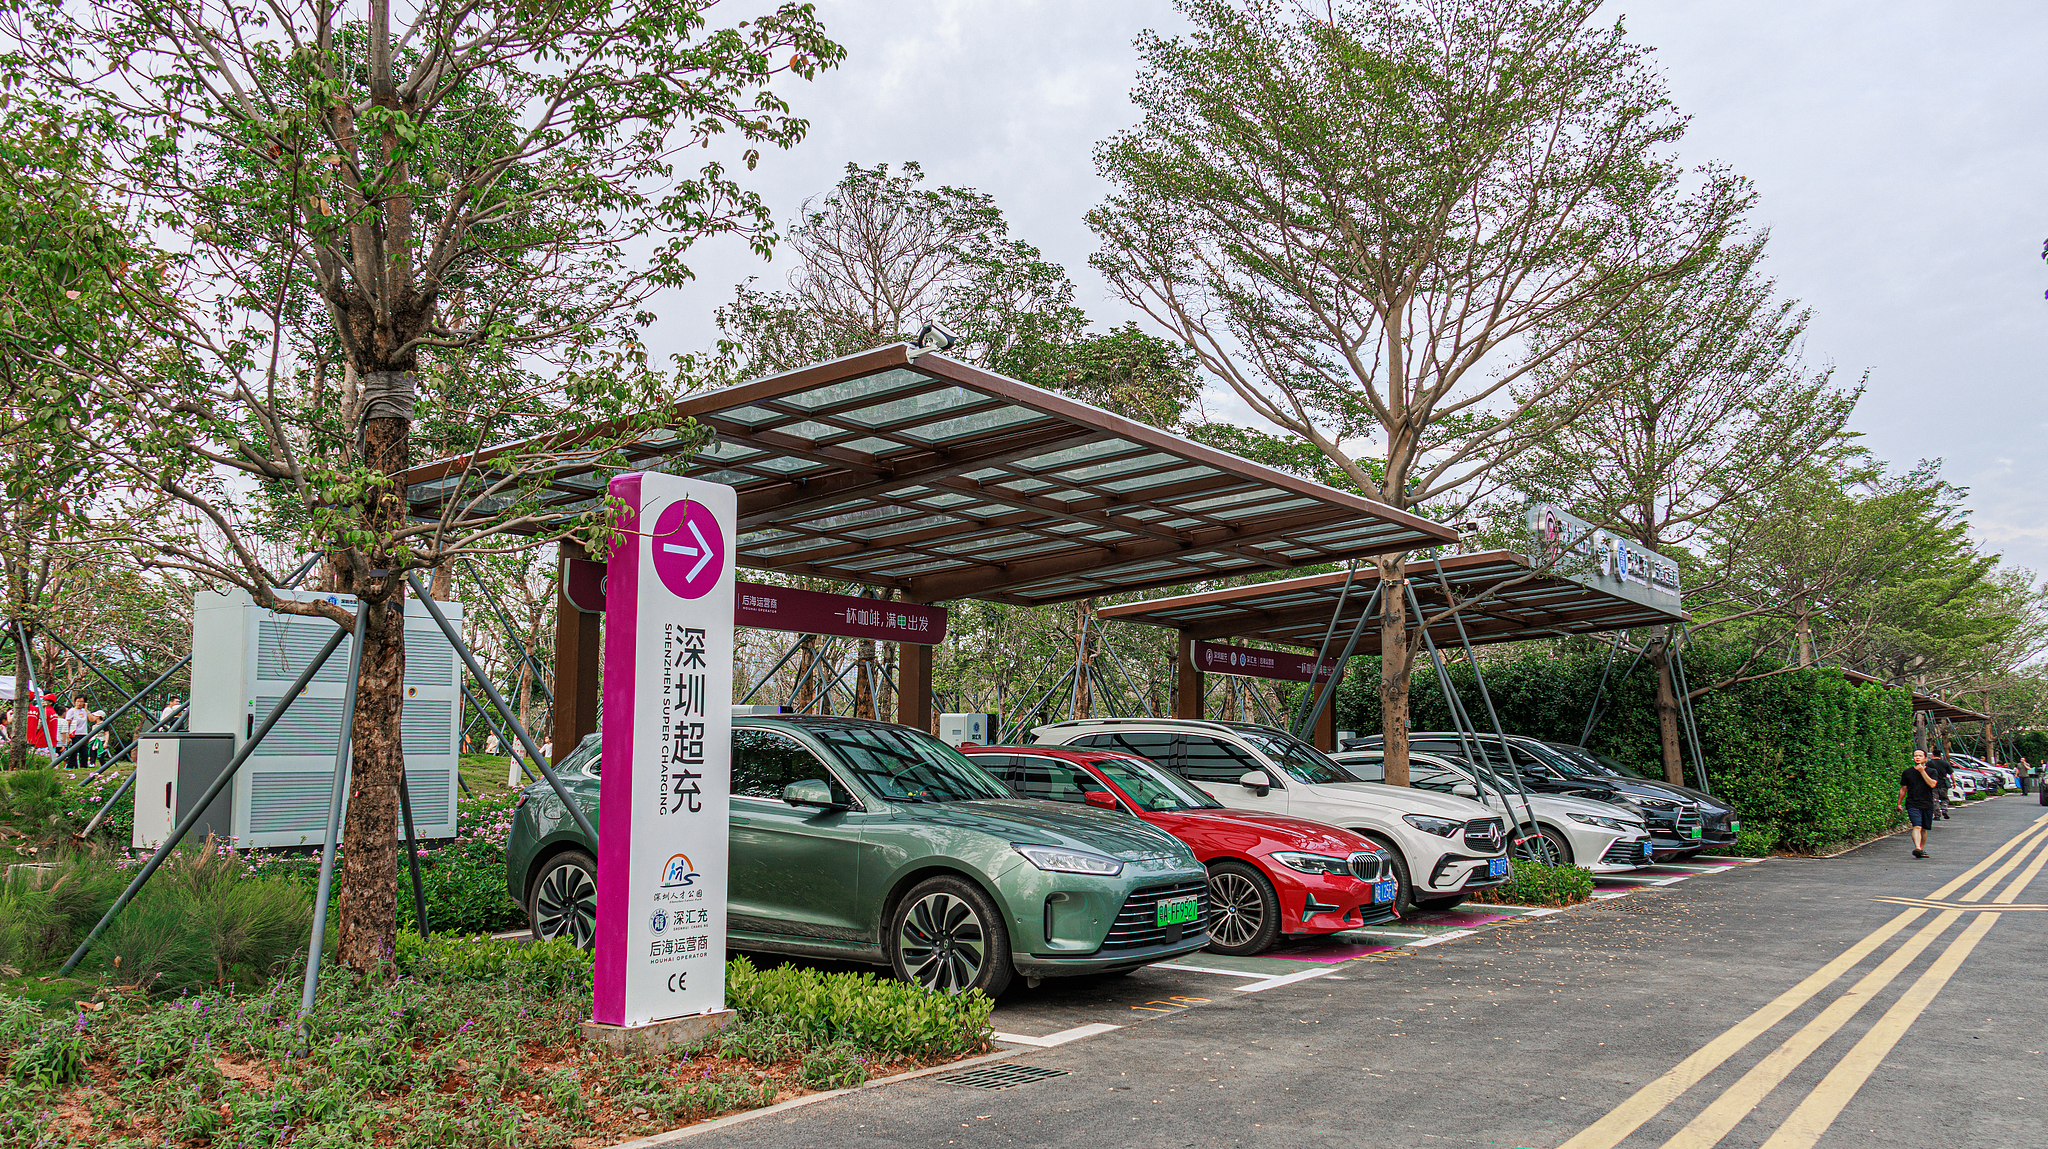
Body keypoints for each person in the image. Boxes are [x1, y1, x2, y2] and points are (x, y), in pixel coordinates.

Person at [1901, 749, 1940, 858]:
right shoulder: (1907, 772)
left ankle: (1921, 849)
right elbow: (1903, 788)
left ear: (1925, 758)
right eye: (1915, 756)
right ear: (1913, 758)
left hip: (1927, 803)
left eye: (1920, 756)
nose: (1917, 757)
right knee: (1917, 826)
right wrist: (1899, 803)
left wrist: (1922, 771)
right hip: (1912, 803)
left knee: (1924, 828)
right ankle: (1917, 848)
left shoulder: (1932, 771)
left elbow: (1932, 784)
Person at [1925, 752, 1956, 819]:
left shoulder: (1929, 763)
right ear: (1940, 756)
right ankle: (1944, 809)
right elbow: (1951, 773)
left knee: (1935, 799)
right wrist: (1954, 782)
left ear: (1933, 755)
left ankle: (1937, 815)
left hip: (1933, 783)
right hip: (1943, 784)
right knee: (1944, 798)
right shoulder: (1945, 763)